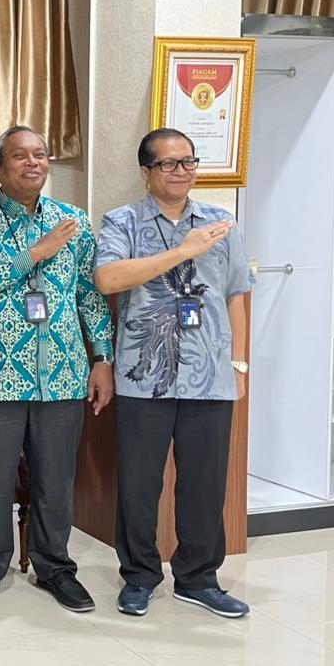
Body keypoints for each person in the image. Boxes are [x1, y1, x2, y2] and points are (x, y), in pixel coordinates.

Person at [0, 126, 115, 615]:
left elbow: (90, 296)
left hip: (61, 374)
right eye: (20, 156)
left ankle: (55, 568)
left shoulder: (73, 221)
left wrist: (102, 359)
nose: (33, 163)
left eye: (40, 155)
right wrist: (35, 253)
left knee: (55, 482)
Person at [94, 127, 253, 619]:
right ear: (146, 172)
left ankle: (199, 578)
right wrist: (182, 251)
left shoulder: (222, 223)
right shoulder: (122, 222)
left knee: (205, 484)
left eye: (189, 161)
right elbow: (108, 278)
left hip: (211, 374)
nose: (181, 171)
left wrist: (240, 363)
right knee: (139, 487)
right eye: (169, 163)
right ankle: (139, 577)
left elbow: (237, 293)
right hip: (145, 376)